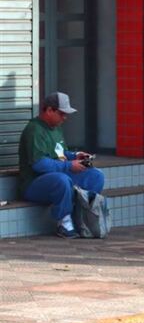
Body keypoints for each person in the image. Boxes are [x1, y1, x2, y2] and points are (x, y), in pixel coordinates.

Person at [18, 92, 105, 238]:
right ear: (49, 110)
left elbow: (60, 152)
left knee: (96, 176)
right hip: (34, 183)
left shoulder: (56, 127)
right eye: (62, 113)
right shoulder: (34, 130)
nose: (65, 118)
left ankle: (81, 217)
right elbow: (39, 164)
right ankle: (64, 223)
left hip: (58, 174)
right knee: (61, 180)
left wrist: (75, 156)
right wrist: (69, 166)